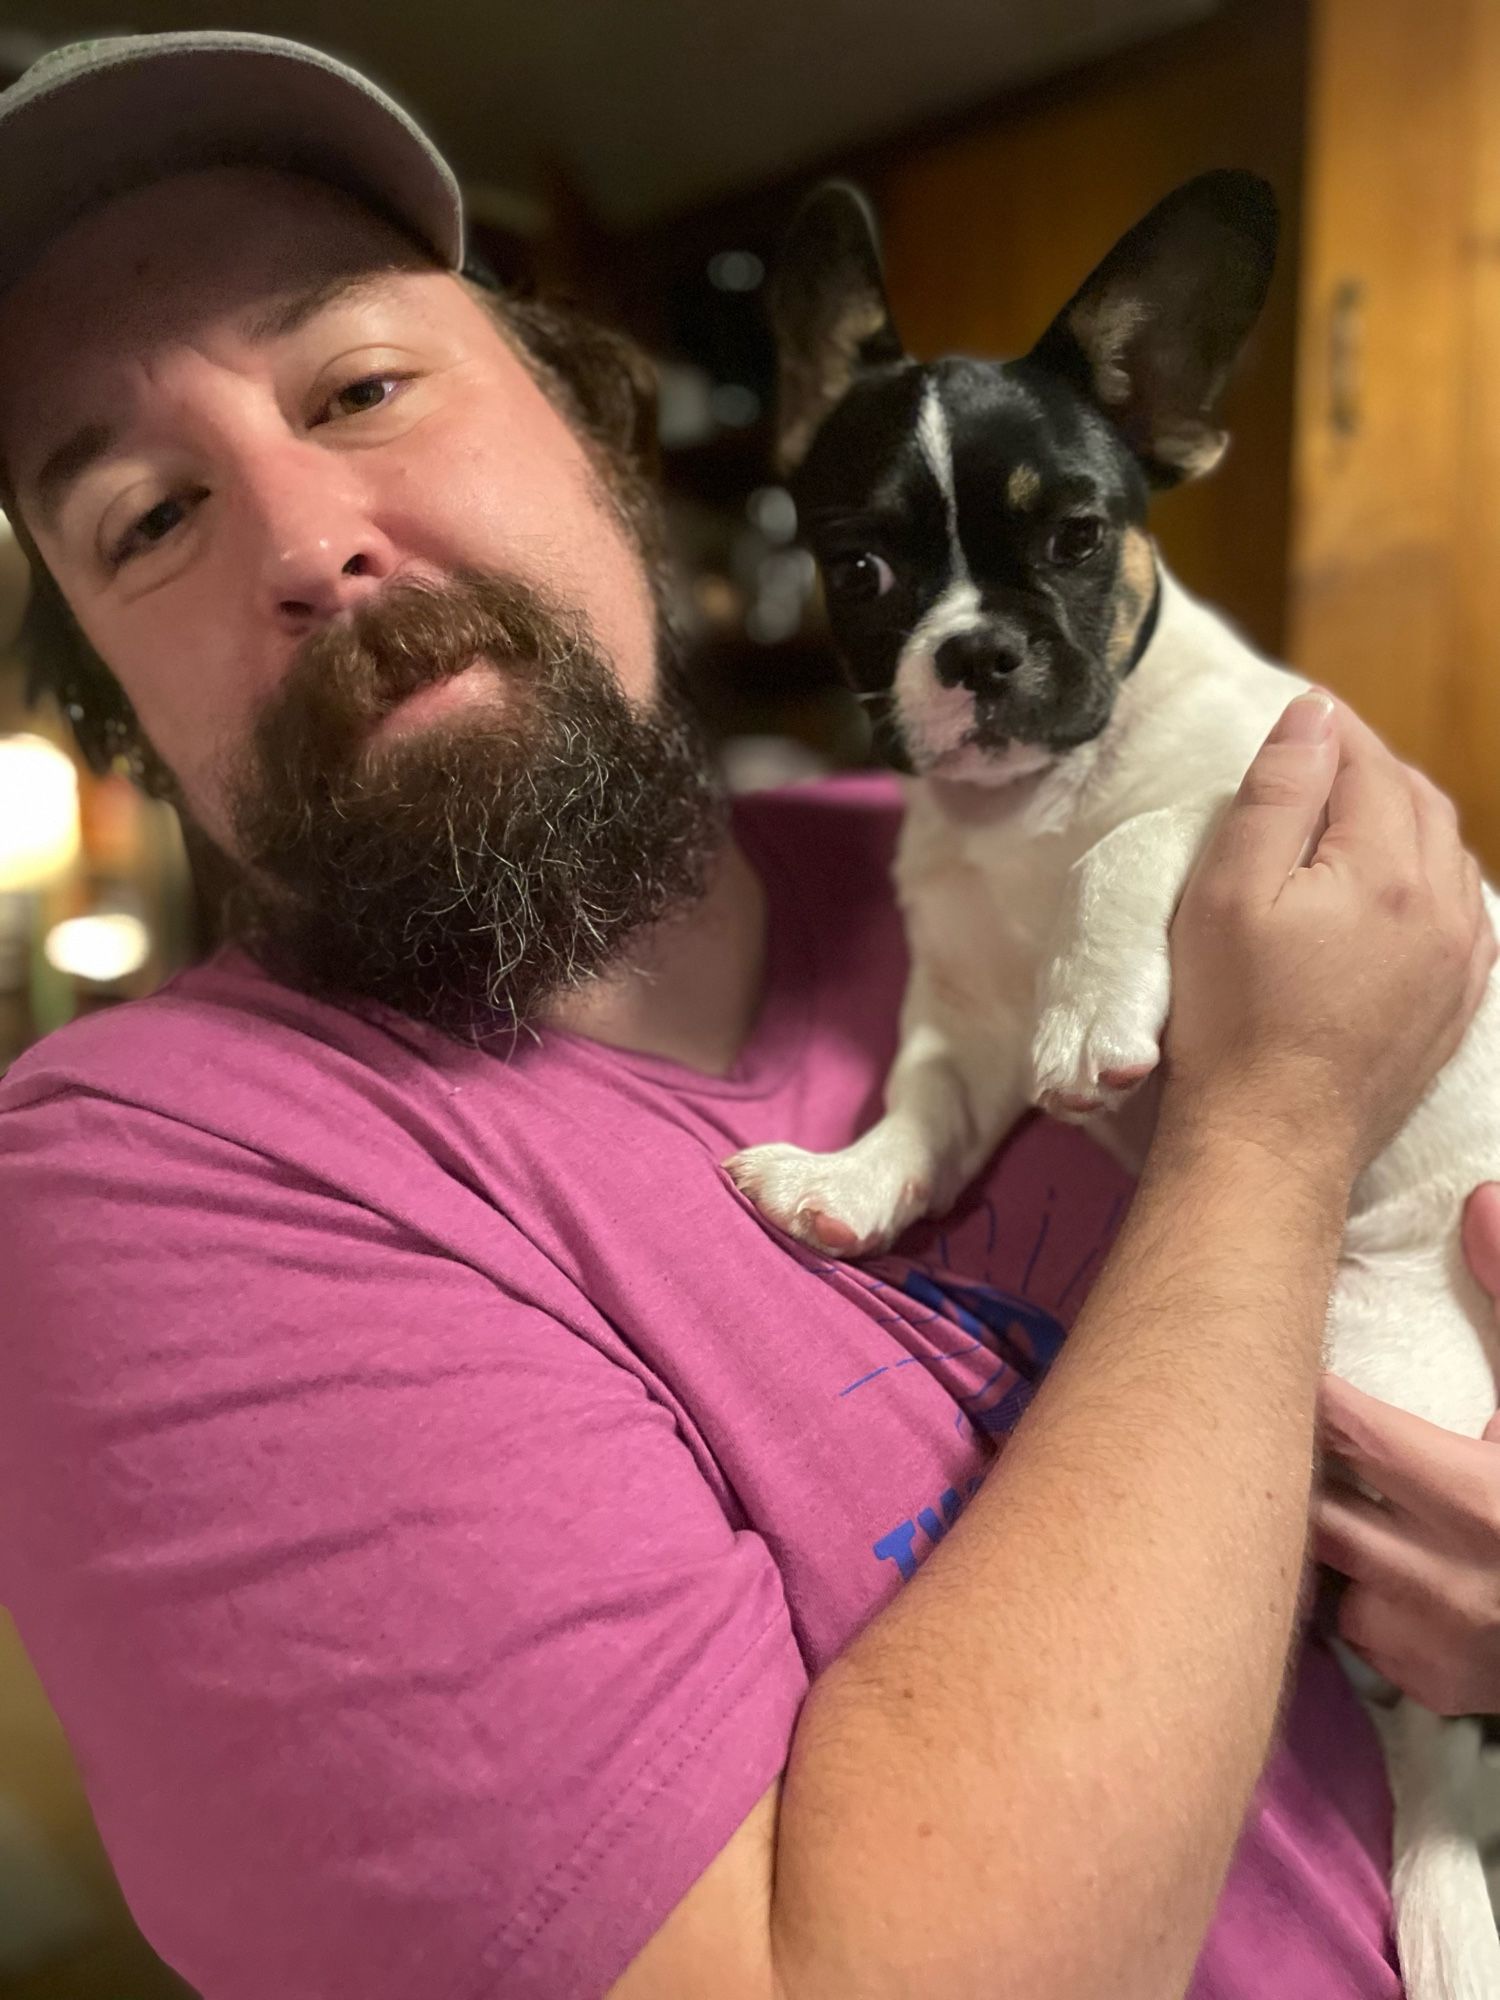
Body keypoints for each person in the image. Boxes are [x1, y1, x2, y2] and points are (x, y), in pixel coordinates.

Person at [0, 31, 1495, 2000]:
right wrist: (1272, 1123)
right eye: (147, 520)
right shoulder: (148, 1185)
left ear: (596, 434)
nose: (307, 546)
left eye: (360, 383)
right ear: (112, 699)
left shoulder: (961, 835)